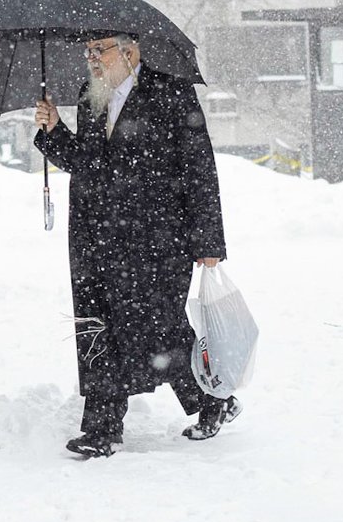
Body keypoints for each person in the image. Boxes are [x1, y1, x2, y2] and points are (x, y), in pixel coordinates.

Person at [34, 32, 240, 458]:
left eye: (99, 50)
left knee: (157, 328)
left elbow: (199, 167)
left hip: (158, 238)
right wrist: (54, 131)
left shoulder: (170, 93)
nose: (91, 59)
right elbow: (88, 165)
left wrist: (208, 239)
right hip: (99, 238)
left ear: (129, 53)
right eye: (87, 51)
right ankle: (103, 429)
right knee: (101, 328)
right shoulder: (90, 97)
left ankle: (212, 399)